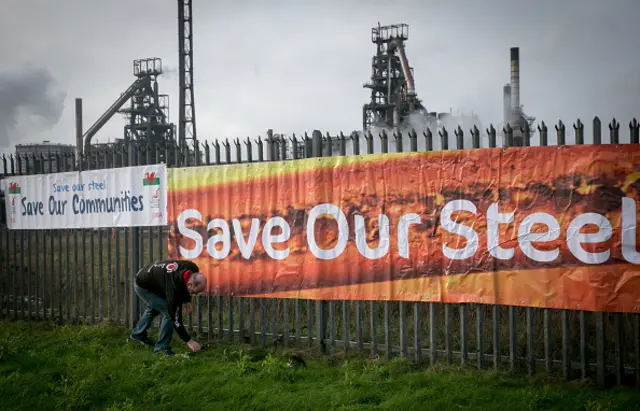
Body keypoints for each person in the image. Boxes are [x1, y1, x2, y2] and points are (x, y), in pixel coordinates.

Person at [129, 259, 207, 356]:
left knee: (154, 308)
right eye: (194, 292)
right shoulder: (174, 288)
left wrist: (187, 300)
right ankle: (161, 348)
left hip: (154, 280)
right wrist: (189, 341)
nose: (194, 294)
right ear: (190, 284)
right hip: (143, 285)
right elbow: (175, 319)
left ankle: (138, 335)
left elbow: (184, 285)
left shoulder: (192, 268)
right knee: (167, 311)